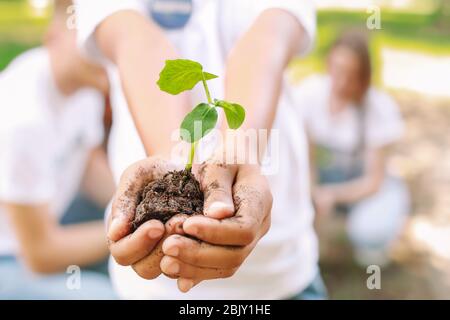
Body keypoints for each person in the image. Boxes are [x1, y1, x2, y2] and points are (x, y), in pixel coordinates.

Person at [74, 0, 325, 299]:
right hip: (157, 288)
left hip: (280, 271)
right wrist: (172, 164)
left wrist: (238, 152)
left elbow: (269, 37)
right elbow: (133, 39)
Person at [0, 1, 116, 299]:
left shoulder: (85, 87)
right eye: (90, 37)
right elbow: (39, 255)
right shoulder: (23, 118)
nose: (107, 53)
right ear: (53, 37)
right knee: (103, 295)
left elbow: (88, 167)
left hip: (48, 219)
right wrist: (133, 229)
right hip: (13, 257)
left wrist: (132, 200)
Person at [294, 32, 410, 266]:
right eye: (337, 70)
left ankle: (373, 243)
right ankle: (310, 252)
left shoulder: (378, 107)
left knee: (370, 232)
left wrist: (332, 195)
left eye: (351, 74)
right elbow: (305, 160)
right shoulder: (308, 94)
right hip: (324, 180)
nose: (342, 82)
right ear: (328, 64)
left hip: (368, 188)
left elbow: (373, 182)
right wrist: (313, 192)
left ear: (365, 77)